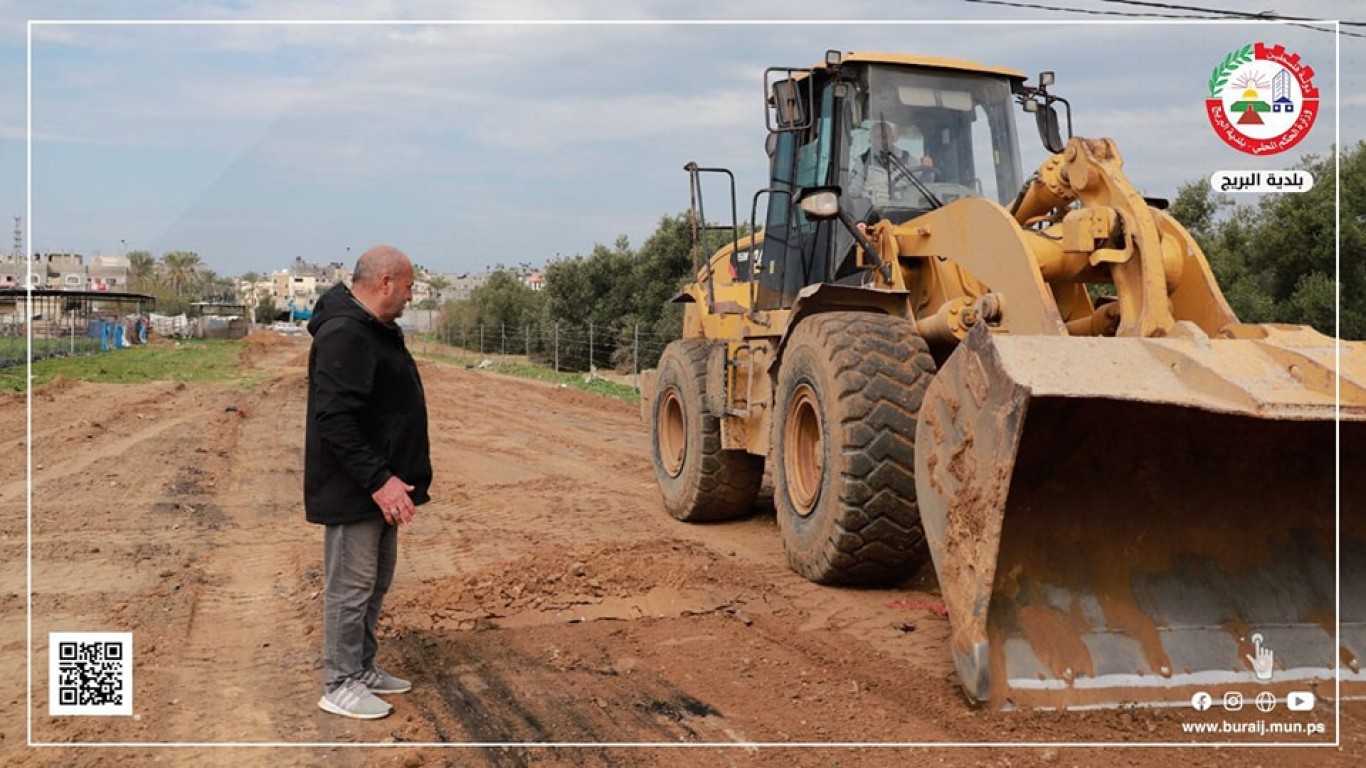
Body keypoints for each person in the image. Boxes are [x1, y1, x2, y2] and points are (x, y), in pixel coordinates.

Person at [305, 244, 432, 720]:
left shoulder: (375, 329)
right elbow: (335, 420)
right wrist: (380, 481)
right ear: (385, 283)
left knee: (374, 584)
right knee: (350, 588)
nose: (411, 296)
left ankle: (361, 669)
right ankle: (339, 683)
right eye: (408, 286)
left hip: (381, 487)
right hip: (356, 489)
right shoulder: (345, 333)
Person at [847, 120, 936, 203]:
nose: (883, 140)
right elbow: (854, 190)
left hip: (903, 207)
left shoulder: (907, 158)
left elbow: (924, 184)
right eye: (878, 137)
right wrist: (855, 196)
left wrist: (927, 169)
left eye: (885, 136)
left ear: (893, 138)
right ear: (870, 140)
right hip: (872, 209)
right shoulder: (863, 160)